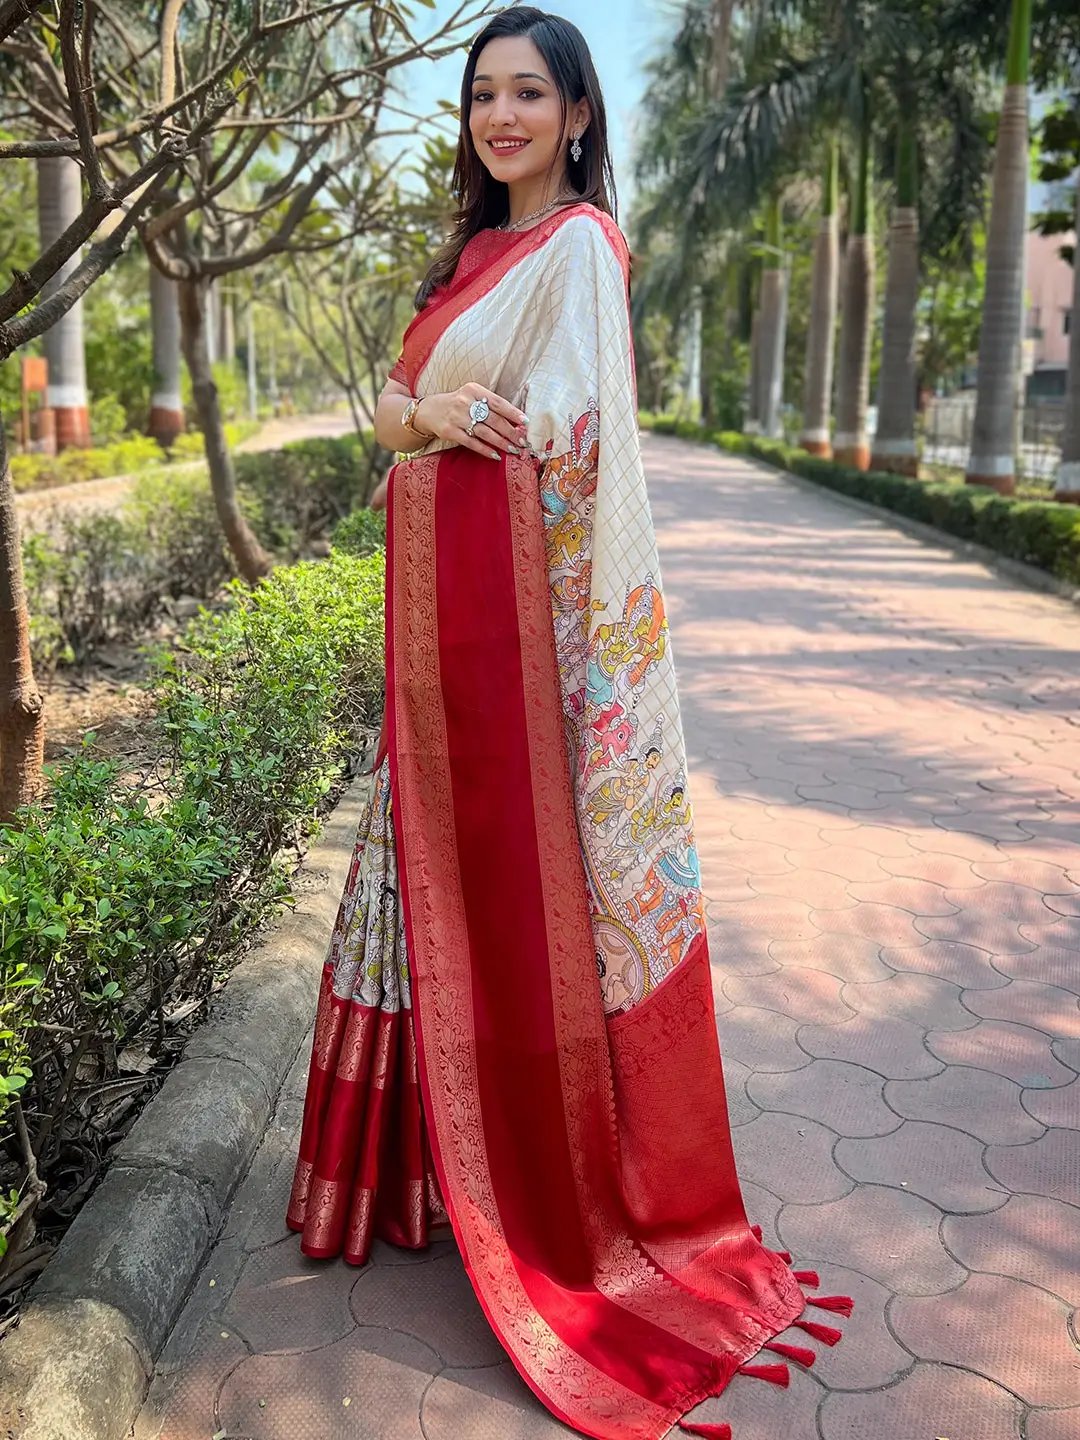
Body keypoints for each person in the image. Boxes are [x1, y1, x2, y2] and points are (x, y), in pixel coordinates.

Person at [287, 9, 848, 1438]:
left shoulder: (580, 255)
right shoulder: (473, 258)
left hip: (512, 654)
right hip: (443, 640)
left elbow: (584, 462)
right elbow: (399, 410)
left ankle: (526, 1198)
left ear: (581, 115)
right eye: (483, 93)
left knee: (480, 895)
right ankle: (411, 1177)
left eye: (529, 92)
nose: (502, 114)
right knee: (405, 889)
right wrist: (423, 433)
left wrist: (457, 457)